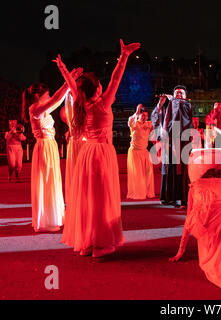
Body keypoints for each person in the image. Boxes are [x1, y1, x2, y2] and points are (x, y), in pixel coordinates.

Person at [55, 39, 141, 257]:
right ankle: (101, 244)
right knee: (101, 198)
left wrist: (63, 68)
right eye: (99, 84)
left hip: (86, 153)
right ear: (97, 88)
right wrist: (124, 56)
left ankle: (87, 242)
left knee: (87, 197)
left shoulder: (80, 102)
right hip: (101, 153)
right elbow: (116, 77)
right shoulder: (103, 103)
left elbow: (72, 85)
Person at [23, 75, 81, 232]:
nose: (48, 97)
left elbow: (56, 100)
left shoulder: (43, 109)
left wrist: (68, 83)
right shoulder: (34, 109)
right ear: (37, 96)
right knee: (46, 180)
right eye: (46, 94)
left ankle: (53, 215)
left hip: (50, 146)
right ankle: (46, 219)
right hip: (44, 147)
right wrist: (67, 82)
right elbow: (55, 100)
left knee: (52, 179)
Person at [151, 85, 193, 208]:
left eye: (181, 93)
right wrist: (160, 105)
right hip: (169, 141)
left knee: (182, 171)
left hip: (182, 141)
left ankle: (183, 199)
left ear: (185, 96)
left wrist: (173, 101)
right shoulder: (169, 105)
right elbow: (155, 117)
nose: (178, 95)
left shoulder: (186, 105)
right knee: (169, 170)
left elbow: (181, 116)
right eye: (176, 93)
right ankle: (169, 197)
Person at [60, 91, 86, 202]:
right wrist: (68, 93)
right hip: (76, 145)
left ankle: (84, 193)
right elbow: (69, 105)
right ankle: (76, 194)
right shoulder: (72, 119)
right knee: (76, 170)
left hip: (85, 145)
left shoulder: (86, 114)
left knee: (85, 172)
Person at [127, 104, 155, 200]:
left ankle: (148, 192)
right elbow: (130, 121)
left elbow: (155, 131)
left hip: (144, 151)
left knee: (149, 172)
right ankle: (138, 193)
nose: (144, 117)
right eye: (142, 115)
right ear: (139, 115)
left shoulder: (148, 124)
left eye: (146, 116)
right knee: (137, 174)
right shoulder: (135, 123)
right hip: (135, 151)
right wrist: (137, 111)